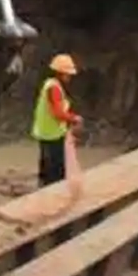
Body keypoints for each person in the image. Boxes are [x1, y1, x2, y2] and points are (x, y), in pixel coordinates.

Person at [31, 54, 82, 189]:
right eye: (67, 74)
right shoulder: (54, 88)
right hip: (52, 134)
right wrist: (74, 118)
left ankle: (43, 189)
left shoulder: (49, 84)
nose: (69, 77)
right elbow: (58, 113)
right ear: (60, 73)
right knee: (55, 170)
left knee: (46, 165)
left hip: (44, 132)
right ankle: (53, 192)